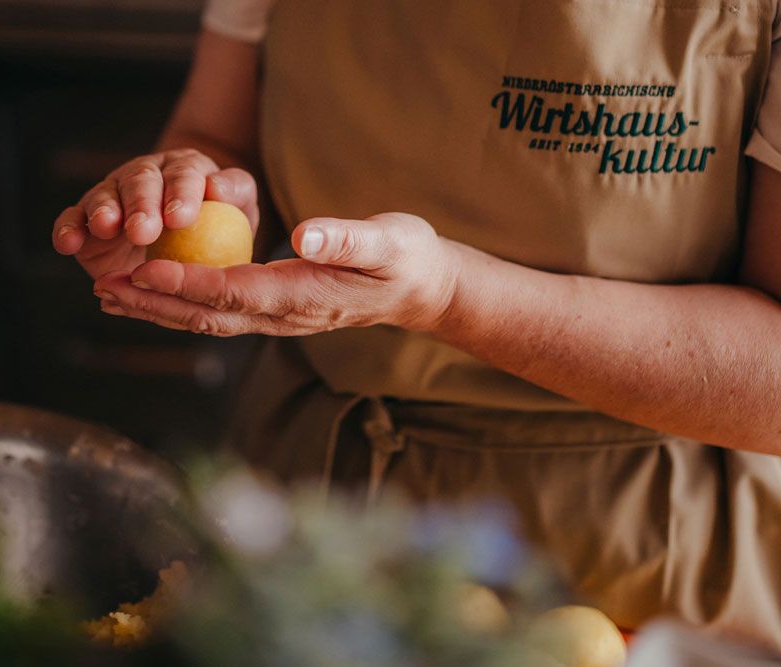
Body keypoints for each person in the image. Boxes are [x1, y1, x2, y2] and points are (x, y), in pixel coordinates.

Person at [53, 0, 781, 652]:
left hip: (643, 577)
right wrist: (193, 195)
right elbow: (218, 133)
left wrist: (451, 295)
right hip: (312, 540)